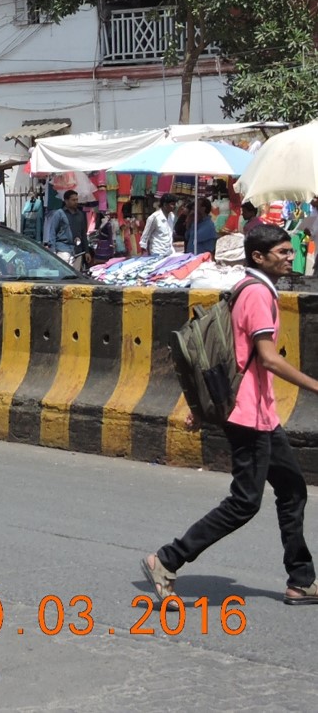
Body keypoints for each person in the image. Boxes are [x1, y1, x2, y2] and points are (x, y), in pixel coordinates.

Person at [144, 223, 318, 605]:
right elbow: (268, 359)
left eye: (291, 251)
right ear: (258, 256)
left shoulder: (246, 287)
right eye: (283, 252)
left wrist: (201, 409)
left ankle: (301, 579)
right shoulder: (257, 293)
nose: (290, 257)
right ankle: (168, 559)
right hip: (249, 415)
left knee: (291, 489)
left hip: (259, 413)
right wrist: (314, 385)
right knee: (244, 502)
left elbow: (228, 353)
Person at [44, 190, 83, 266]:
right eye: (73, 200)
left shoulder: (80, 215)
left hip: (77, 251)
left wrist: (87, 251)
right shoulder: (59, 214)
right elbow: (52, 232)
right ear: (66, 201)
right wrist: (53, 250)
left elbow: (83, 233)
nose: (76, 202)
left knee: (76, 275)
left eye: (76, 200)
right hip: (63, 250)